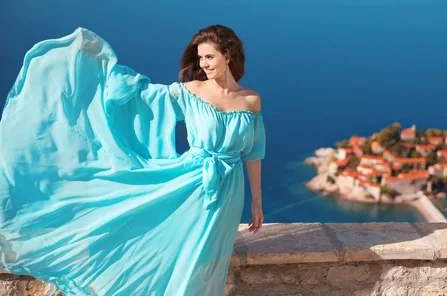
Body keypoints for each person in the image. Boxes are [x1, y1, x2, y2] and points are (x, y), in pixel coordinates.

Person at [0, 24, 266, 296]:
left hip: (230, 191)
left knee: (210, 260)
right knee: (183, 252)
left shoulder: (251, 100)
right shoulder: (189, 91)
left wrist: (256, 200)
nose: (203, 64)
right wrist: (102, 71)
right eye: (200, 58)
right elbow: (142, 100)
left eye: (209, 57)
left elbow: (253, 152)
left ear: (228, 56)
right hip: (192, 183)